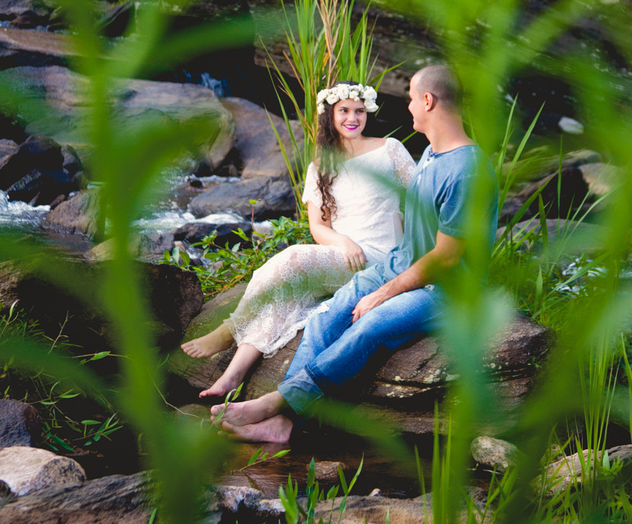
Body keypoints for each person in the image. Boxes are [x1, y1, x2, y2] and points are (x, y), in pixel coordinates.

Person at [211, 64, 497, 443]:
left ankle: (276, 404)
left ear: (428, 101)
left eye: (411, 98)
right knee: (324, 319)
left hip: (447, 287)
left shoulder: (467, 171)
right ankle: (285, 425)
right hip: (401, 265)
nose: (408, 106)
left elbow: (445, 258)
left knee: (369, 327)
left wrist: (384, 293)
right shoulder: (431, 154)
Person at [181, 80, 416, 399]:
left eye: (359, 111)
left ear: (367, 113)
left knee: (291, 260)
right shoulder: (320, 166)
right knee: (285, 295)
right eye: (344, 110)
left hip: (383, 261)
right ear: (330, 115)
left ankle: (228, 330)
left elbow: (420, 200)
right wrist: (343, 242)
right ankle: (231, 377)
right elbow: (319, 227)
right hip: (345, 255)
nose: (352, 117)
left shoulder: (389, 149)